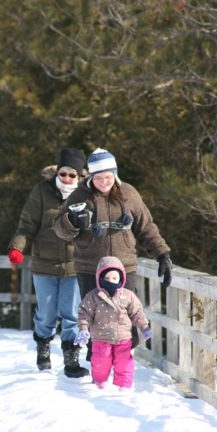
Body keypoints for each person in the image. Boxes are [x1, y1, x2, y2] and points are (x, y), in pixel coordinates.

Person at [53, 147, 172, 358]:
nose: (103, 182)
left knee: (126, 315)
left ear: (114, 175)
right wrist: (71, 221)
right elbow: (59, 229)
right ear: (90, 176)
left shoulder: (129, 194)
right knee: (95, 316)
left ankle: (123, 356)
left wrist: (162, 254)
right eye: (98, 178)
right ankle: (98, 359)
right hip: (90, 267)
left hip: (123, 266)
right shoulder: (80, 195)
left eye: (107, 177)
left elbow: (146, 227)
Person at [8, 148, 90, 377]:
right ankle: (43, 347)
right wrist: (17, 247)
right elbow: (27, 224)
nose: (67, 179)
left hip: (75, 266)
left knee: (72, 313)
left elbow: (95, 229)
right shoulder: (42, 192)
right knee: (46, 312)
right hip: (44, 264)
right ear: (57, 172)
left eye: (72, 175)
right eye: (63, 173)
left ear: (80, 176)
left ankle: (71, 360)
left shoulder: (86, 195)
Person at [74, 256, 151, 390]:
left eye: (114, 278)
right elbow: (84, 313)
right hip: (100, 338)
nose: (111, 282)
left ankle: (124, 385)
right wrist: (83, 329)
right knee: (100, 361)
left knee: (124, 362)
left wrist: (144, 327)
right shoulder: (93, 296)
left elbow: (137, 312)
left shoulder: (128, 296)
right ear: (100, 278)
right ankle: (100, 382)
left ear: (121, 279)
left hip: (123, 338)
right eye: (107, 278)